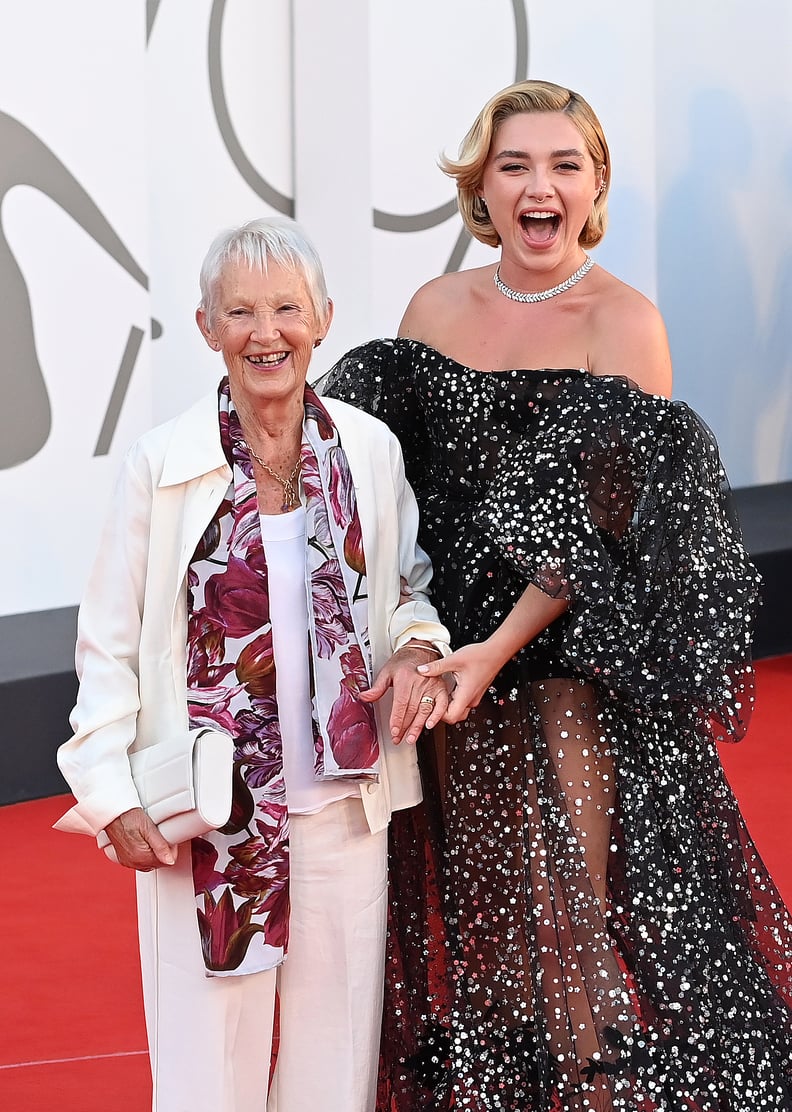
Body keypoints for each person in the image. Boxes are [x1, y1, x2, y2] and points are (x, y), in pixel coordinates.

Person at [322, 80, 792, 1111]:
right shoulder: (434, 310)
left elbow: (612, 541)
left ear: (596, 185)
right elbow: (394, 502)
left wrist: (496, 651)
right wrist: (417, 642)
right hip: (444, 659)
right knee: (474, 915)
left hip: (565, 667)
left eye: (564, 165)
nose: (541, 185)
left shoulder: (624, 323)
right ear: (481, 189)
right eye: (516, 165)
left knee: (565, 915)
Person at [54, 217, 452, 1112]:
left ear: (324, 319)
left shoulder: (367, 449)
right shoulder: (163, 463)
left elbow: (406, 594)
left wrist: (422, 647)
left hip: (346, 805)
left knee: (335, 1056)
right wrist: (112, 797)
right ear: (206, 328)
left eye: (286, 308)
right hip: (207, 818)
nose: (264, 332)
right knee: (207, 1074)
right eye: (239, 312)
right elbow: (110, 643)